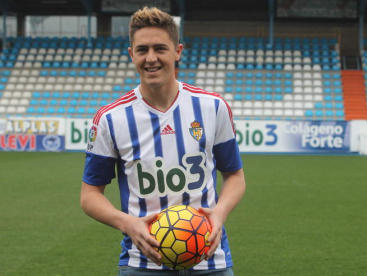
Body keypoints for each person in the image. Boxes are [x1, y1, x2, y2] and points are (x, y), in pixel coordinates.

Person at [80, 6, 245, 276]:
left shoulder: (212, 107)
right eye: (142, 50)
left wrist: (220, 212)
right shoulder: (111, 118)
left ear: (177, 51)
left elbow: (235, 176)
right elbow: (89, 195)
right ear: (132, 54)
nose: (151, 58)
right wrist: (128, 223)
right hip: (142, 263)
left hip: (209, 260)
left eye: (160, 48)